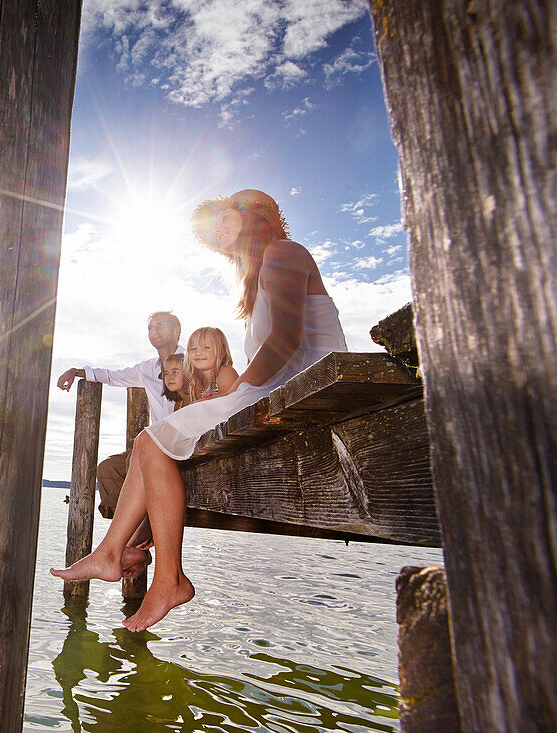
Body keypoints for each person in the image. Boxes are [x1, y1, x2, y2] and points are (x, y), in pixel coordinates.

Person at [52, 189, 347, 632]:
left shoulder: (284, 253)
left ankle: (164, 577)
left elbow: (285, 341)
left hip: (306, 388)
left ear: (252, 213)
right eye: (210, 232)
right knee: (146, 443)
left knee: (152, 443)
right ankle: (114, 554)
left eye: (222, 219)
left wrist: (235, 391)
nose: (218, 232)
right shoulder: (261, 272)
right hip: (277, 387)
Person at [56, 310, 184, 577]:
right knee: (107, 470)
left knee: (141, 451)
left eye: (160, 326)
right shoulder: (147, 369)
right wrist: (77, 371)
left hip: (182, 442)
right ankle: (134, 544)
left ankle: (130, 544)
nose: (154, 331)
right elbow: (112, 375)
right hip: (155, 443)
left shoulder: (190, 360)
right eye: (150, 328)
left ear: (177, 330)